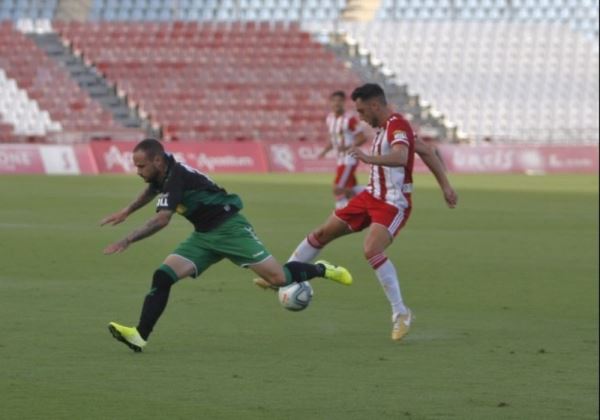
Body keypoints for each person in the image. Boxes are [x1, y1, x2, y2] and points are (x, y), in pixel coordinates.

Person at [101, 139, 352, 352]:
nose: (138, 171)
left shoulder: (176, 176)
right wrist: (127, 211)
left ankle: (321, 269)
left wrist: (127, 239)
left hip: (230, 229)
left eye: (141, 166)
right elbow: (152, 189)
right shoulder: (163, 172)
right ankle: (139, 336)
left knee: (279, 278)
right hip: (204, 236)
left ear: (157, 161)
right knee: (163, 276)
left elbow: (162, 219)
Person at [256, 84, 458, 341]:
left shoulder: (397, 125)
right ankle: (284, 276)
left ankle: (401, 313)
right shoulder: (387, 127)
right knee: (321, 233)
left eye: (362, 111)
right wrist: (446, 186)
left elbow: (400, 156)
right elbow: (426, 151)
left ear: (375, 105)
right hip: (370, 196)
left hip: (393, 203)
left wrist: (368, 158)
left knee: (372, 249)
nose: (361, 117)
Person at [318, 91, 368, 209]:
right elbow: (334, 139)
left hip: (349, 159)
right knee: (350, 189)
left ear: (343, 103)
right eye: (334, 100)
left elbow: (362, 138)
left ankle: (340, 212)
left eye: (339, 101)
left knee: (337, 188)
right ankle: (373, 192)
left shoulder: (350, 119)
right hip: (340, 159)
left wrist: (348, 146)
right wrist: (325, 150)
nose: (337, 103)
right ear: (330, 102)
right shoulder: (330, 118)